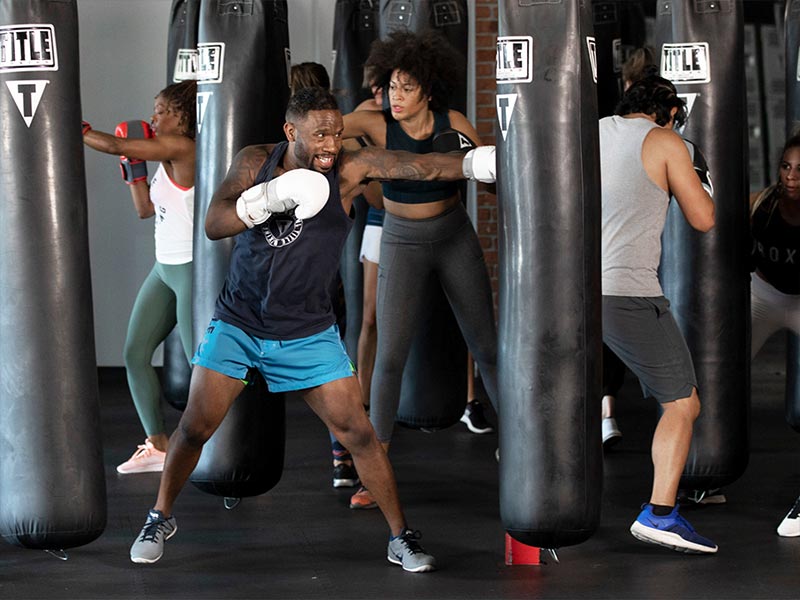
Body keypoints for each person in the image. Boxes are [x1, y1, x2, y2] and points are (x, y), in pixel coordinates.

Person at [127, 86, 495, 570]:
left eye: (337, 133)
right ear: (290, 131)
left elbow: (413, 165)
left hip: (307, 331)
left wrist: (474, 164)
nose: (331, 144)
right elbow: (214, 224)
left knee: (358, 433)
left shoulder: (349, 169)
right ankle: (159, 517)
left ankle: (400, 537)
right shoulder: (254, 161)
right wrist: (264, 200)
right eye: (320, 134)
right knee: (195, 427)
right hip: (239, 323)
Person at [341, 30, 499, 509]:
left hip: (453, 237)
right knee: (390, 355)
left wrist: (496, 178)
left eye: (407, 88)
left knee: (486, 345)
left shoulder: (453, 123)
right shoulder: (372, 124)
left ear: (428, 90)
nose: (397, 96)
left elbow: (493, 173)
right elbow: (327, 129)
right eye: (392, 87)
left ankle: (519, 447)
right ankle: (375, 470)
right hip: (401, 241)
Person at [599, 74, 717, 553]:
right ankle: (661, 513)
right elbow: (703, 218)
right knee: (683, 402)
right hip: (628, 292)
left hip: (571, 291)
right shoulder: (666, 140)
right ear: (670, 113)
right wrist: (699, 172)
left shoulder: (593, 129)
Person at [82, 80, 197, 474]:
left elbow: (115, 144)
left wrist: (74, 127)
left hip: (189, 270)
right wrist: (134, 172)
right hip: (163, 267)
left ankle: (224, 446)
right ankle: (159, 445)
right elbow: (145, 210)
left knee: (207, 367)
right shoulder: (163, 158)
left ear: (183, 116)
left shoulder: (184, 148)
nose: (154, 118)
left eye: (162, 110)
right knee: (134, 354)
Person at [289, 61, 360, 489]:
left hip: (305, 264)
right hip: (321, 262)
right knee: (336, 345)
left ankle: (341, 454)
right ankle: (340, 456)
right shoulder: (275, 151)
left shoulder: (328, 148)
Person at [601, 47, 658, 449]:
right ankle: (607, 413)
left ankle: (609, 411)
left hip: (641, 241)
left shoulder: (662, 139)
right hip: (614, 249)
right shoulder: (608, 128)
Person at [748, 135, 800, 537]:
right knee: (719, 371)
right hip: (763, 294)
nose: (791, 176)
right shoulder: (762, 204)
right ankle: (700, 473)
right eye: (786, 167)